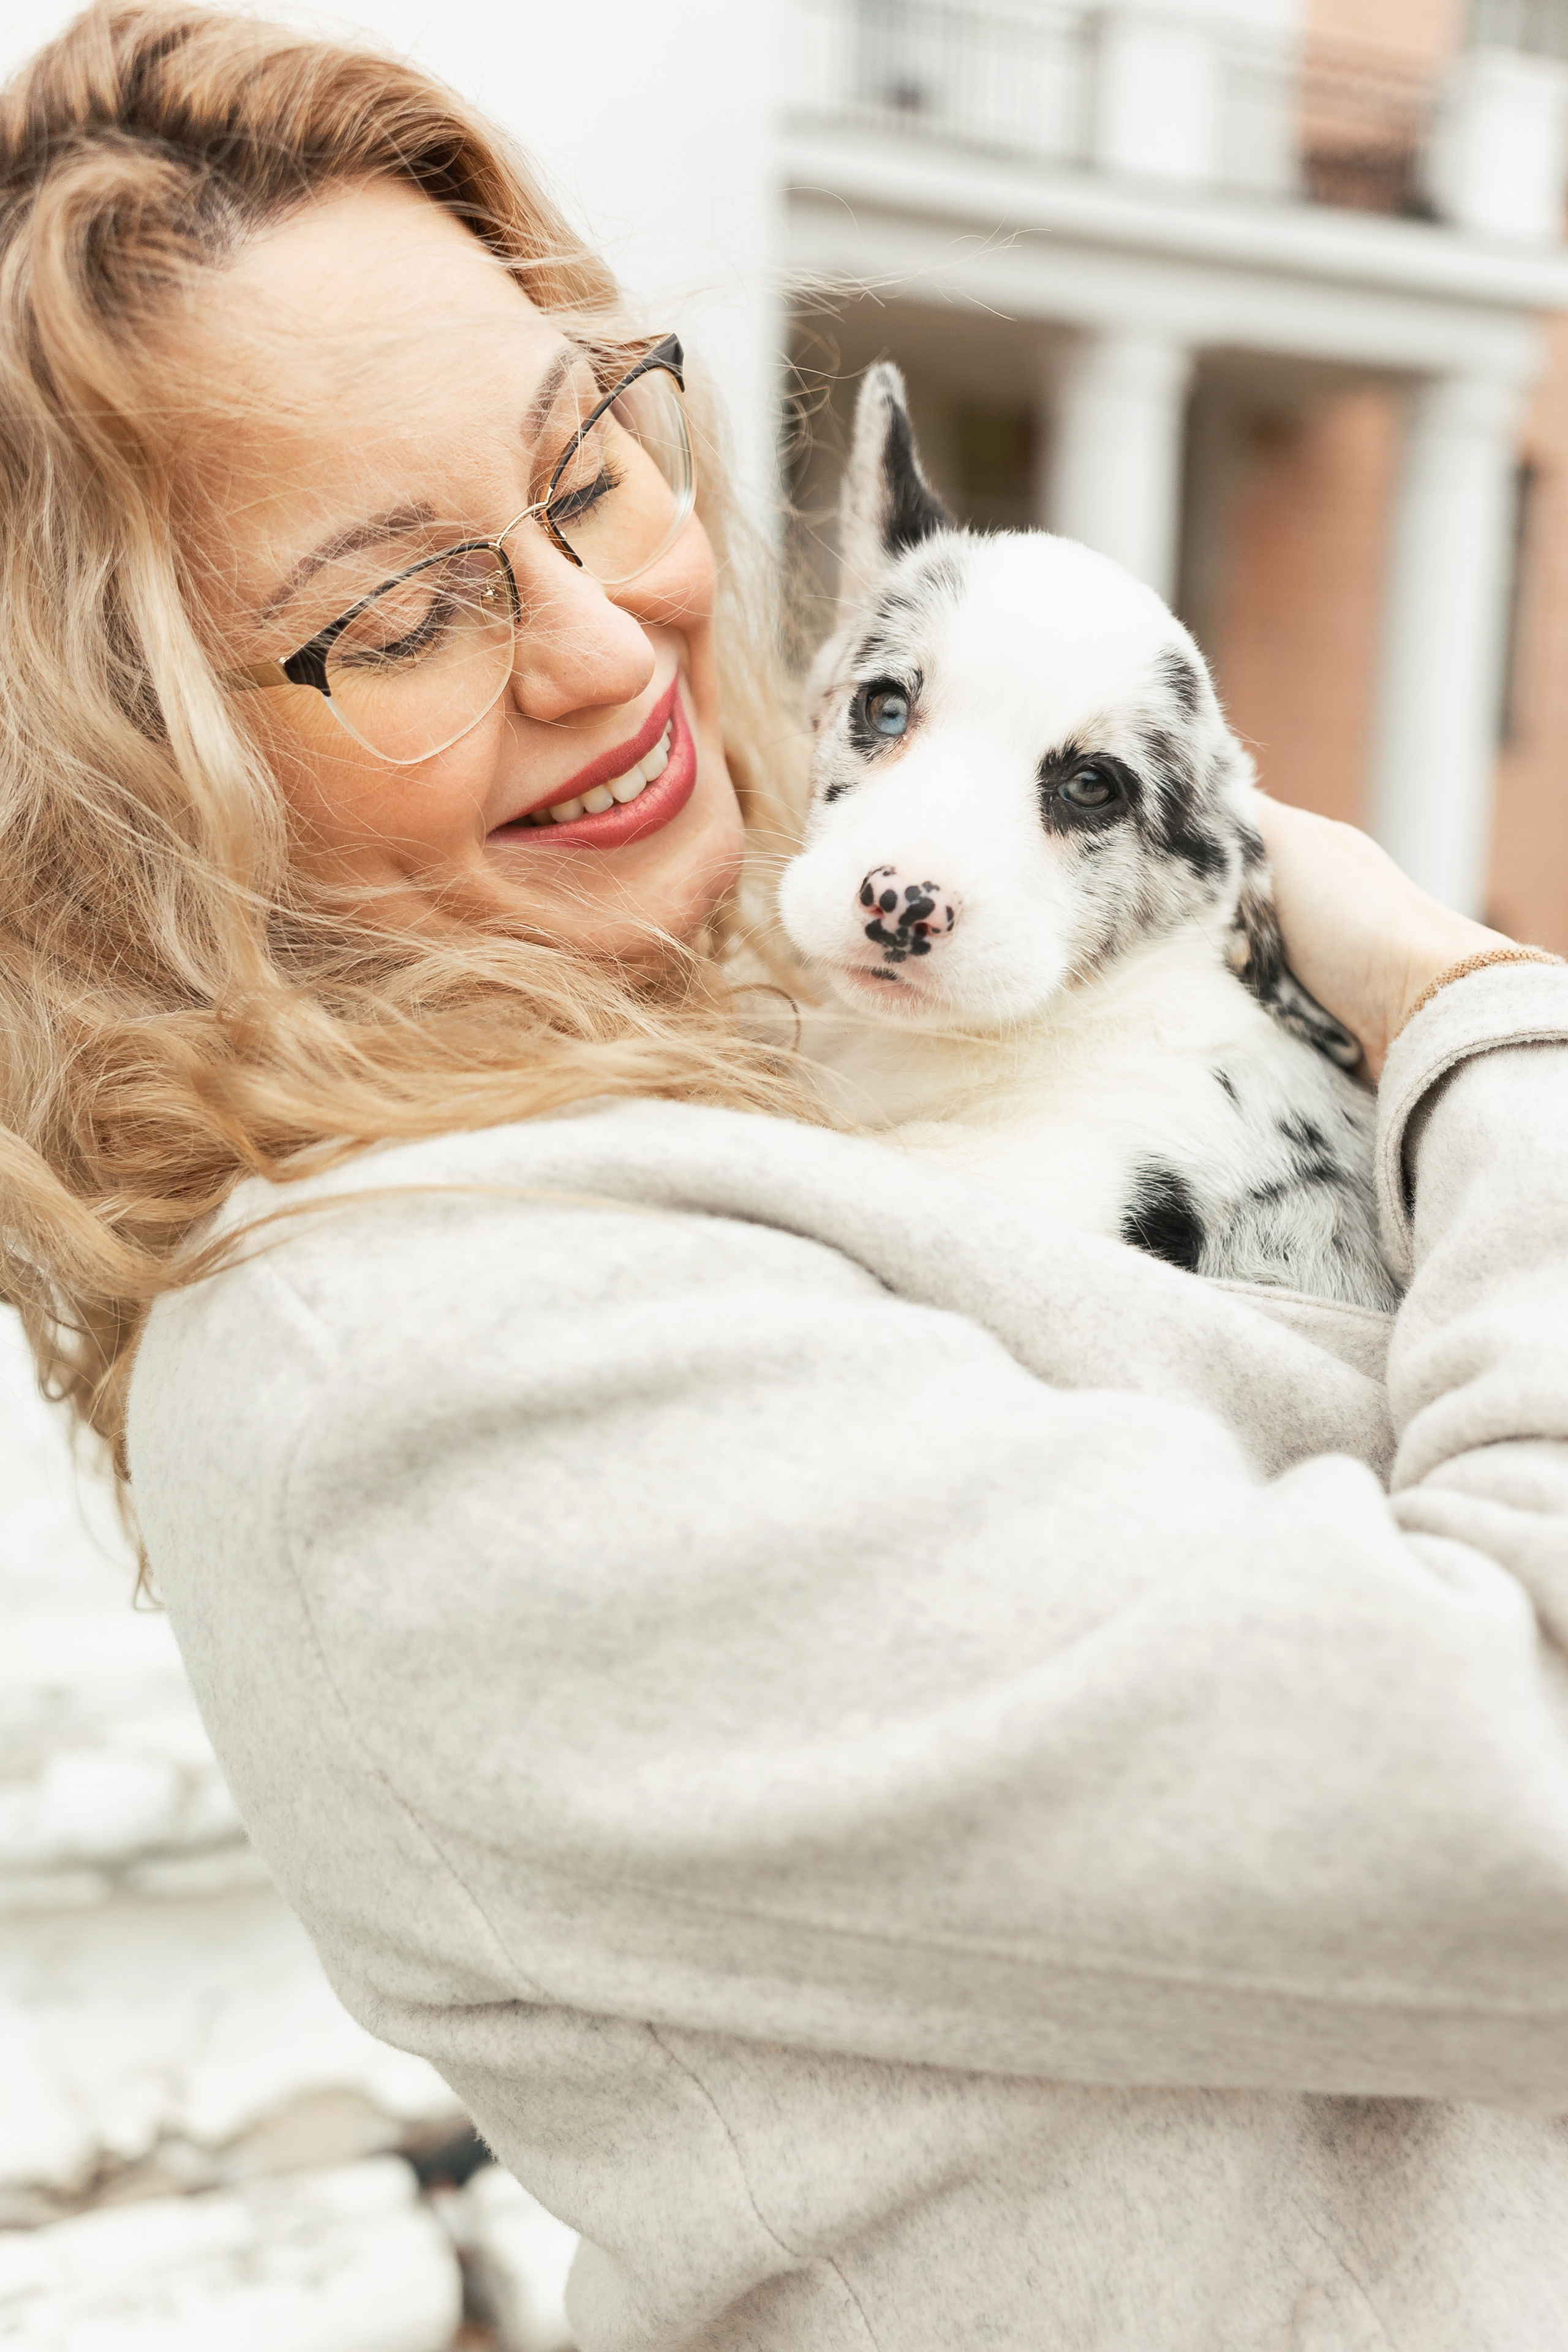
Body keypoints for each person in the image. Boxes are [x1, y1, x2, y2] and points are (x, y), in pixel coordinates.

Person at [3, 8, 1567, 2347]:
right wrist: (1469, 1009)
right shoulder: (427, 1361)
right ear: (148, 773)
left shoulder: (740, 1089)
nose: (597, 633)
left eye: (589, 465)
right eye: (397, 610)